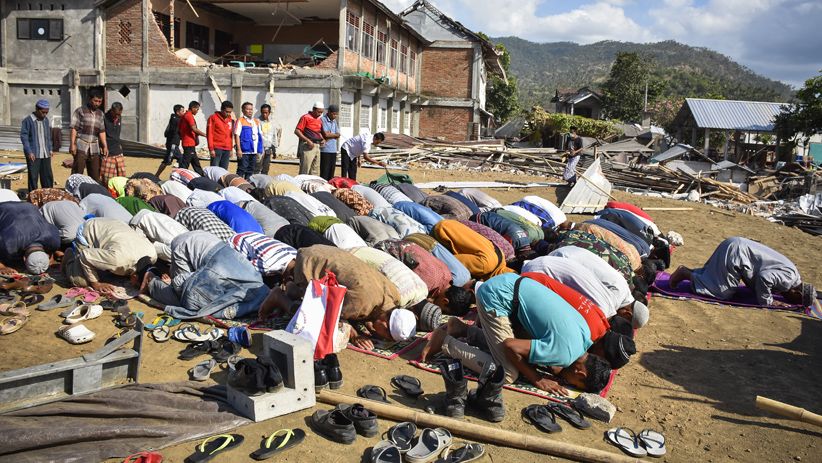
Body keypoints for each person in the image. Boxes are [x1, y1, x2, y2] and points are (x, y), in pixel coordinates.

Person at [421, 274, 612, 394]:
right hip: (495, 296)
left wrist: (544, 364)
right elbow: (510, 346)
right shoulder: (564, 354)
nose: (568, 383)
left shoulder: (585, 336)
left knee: (522, 358)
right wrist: (537, 378)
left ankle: (461, 329)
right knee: (507, 374)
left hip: (512, 282)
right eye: (576, 385)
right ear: (580, 372)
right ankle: (446, 342)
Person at [143, 230, 269, 320]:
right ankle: (151, 280)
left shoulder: (256, 284)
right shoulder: (256, 288)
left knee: (186, 292)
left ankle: (152, 280)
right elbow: (180, 284)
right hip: (195, 247)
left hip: (204, 241)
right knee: (184, 298)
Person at [669, 237, 816, 307]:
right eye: (794, 300)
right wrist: (768, 302)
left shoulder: (792, 273)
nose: (787, 299)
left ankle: (689, 273)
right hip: (737, 253)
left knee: (714, 276)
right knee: (721, 292)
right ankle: (685, 273)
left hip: (736, 247)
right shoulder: (790, 279)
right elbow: (765, 277)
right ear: (798, 293)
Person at [522, 254, 649, 329]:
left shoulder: (622, 290)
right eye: (625, 323)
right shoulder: (611, 302)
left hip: (556, 260)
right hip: (541, 269)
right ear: (627, 314)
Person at [61, 217, 157, 295]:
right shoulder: (118, 260)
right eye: (136, 285)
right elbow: (85, 256)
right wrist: (96, 284)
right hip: (90, 229)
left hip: (115, 225)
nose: (134, 286)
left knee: (115, 273)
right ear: (135, 277)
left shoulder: (153, 255)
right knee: (81, 282)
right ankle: (70, 257)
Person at [432, 219, 513, 280]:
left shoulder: (501, 257)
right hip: (439, 232)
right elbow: (448, 260)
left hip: (450, 223)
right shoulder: (484, 266)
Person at [0, 201, 60, 275]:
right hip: (3, 208)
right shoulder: (9, 245)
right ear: (24, 259)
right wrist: (2, 267)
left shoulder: (55, 241)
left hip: (29, 206)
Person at [70, 88, 107, 182]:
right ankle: (73, 193)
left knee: (95, 175)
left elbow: (102, 131)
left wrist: (105, 146)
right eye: (95, 101)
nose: (97, 103)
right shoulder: (80, 111)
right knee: (77, 173)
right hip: (81, 146)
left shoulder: (100, 114)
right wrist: (72, 144)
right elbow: (74, 128)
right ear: (90, 99)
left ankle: (92, 194)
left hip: (95, 148)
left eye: (100, 101)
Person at [20, 99, 54, 192]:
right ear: (37, 109)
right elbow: (24, 137)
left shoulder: (46, 120)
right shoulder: (28, 121)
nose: (45, 114)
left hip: (45, 153)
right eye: (43, 112)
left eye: (46, 112)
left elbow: (48, 136)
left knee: (47, 176)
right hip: (34, 154)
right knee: (33, 177)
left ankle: (48, 195)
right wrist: (29, 152)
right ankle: (33, 196)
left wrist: (50, 148)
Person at [234, 102, 263, 180]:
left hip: (254, 151)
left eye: (251, 109)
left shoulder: (256, 122)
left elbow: (259, 136)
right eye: (248, 109)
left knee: (250, 170)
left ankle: (247, 186)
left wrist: (260, 149)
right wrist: (239, 149)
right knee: (242, 169)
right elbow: (237, 135)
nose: (250, 111)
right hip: (244, 151)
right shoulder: (240, 121)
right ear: (243, 110)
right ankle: (238, 185)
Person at [295, 102, 325, 175]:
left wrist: (322, 139)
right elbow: (297, 131)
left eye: (321, 112)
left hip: (317, 146)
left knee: (315, 170)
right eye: (319, 112)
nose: (320, 114)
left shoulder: (319, 120)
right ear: (313, 109)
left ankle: (312, 186)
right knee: (305, 169)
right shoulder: (305, 117)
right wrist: (307, 140)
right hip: (307, 146)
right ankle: (301, 185)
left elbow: (319, 132)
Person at [101, 102, 127, 186]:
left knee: (121, 175)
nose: (117, 116)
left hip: (117, 150)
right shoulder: (104, 118)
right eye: (116, 114)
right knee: (108, 177)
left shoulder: (119, 117)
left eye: (119, 114)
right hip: (108, 151)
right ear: (111, 111)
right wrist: (103, 146)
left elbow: (117, 134)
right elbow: (101, 133)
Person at [156, 104, 185, 178]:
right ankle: (175, 176)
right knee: (177, 160)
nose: (184, 112)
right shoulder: (176, 119)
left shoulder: (175, 118)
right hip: (173, 144)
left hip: (173, 144)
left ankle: (157, 175)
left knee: (170, 160)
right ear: (178, 112)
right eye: (182, 111)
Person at [178, 101, 206, 176]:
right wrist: (205, 135)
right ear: (193, 108)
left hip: (189, 143)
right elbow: (194, 129)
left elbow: (180, 129)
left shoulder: (185, 116)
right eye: (197, 109)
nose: (197, 111)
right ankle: (178, 178)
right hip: (188, 144)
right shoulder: (189, 116)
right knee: (185, 164)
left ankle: (202, 177)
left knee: (195, 163)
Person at [207, 101, 234, 170]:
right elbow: (209, 134)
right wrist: (211, 149)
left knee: (224, 170)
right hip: (217, 148)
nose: (228, 114)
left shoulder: (230, 120)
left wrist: (231, 149)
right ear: (222, 109)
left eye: (230, 112)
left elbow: (230, 136)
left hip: (227, 149)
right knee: (214, 170)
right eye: (227, 111)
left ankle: (221, 181)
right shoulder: (213, 118)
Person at [257, 104, 280, 175]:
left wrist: (274, 149)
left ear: (269, 113)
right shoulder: (257, 122)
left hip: (269, 148)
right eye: (263, 112)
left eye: (266, 113)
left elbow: (274, 136)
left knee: (266, 168)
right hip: (260, 148)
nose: (264, 114)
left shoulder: (272, 123)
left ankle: (263, 184)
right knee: (257, 167)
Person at [319, 104, 341, 180]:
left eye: (336, 114)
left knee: (331, 171)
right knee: (325, 171)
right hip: (325, 149)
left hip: (333, 149)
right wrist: (334, 135)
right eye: (334, 114)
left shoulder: (334, 121)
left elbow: (338, 134)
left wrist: (331, 134)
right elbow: (325, 134)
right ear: (329, 112)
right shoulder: (323, 120)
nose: (335, 116)